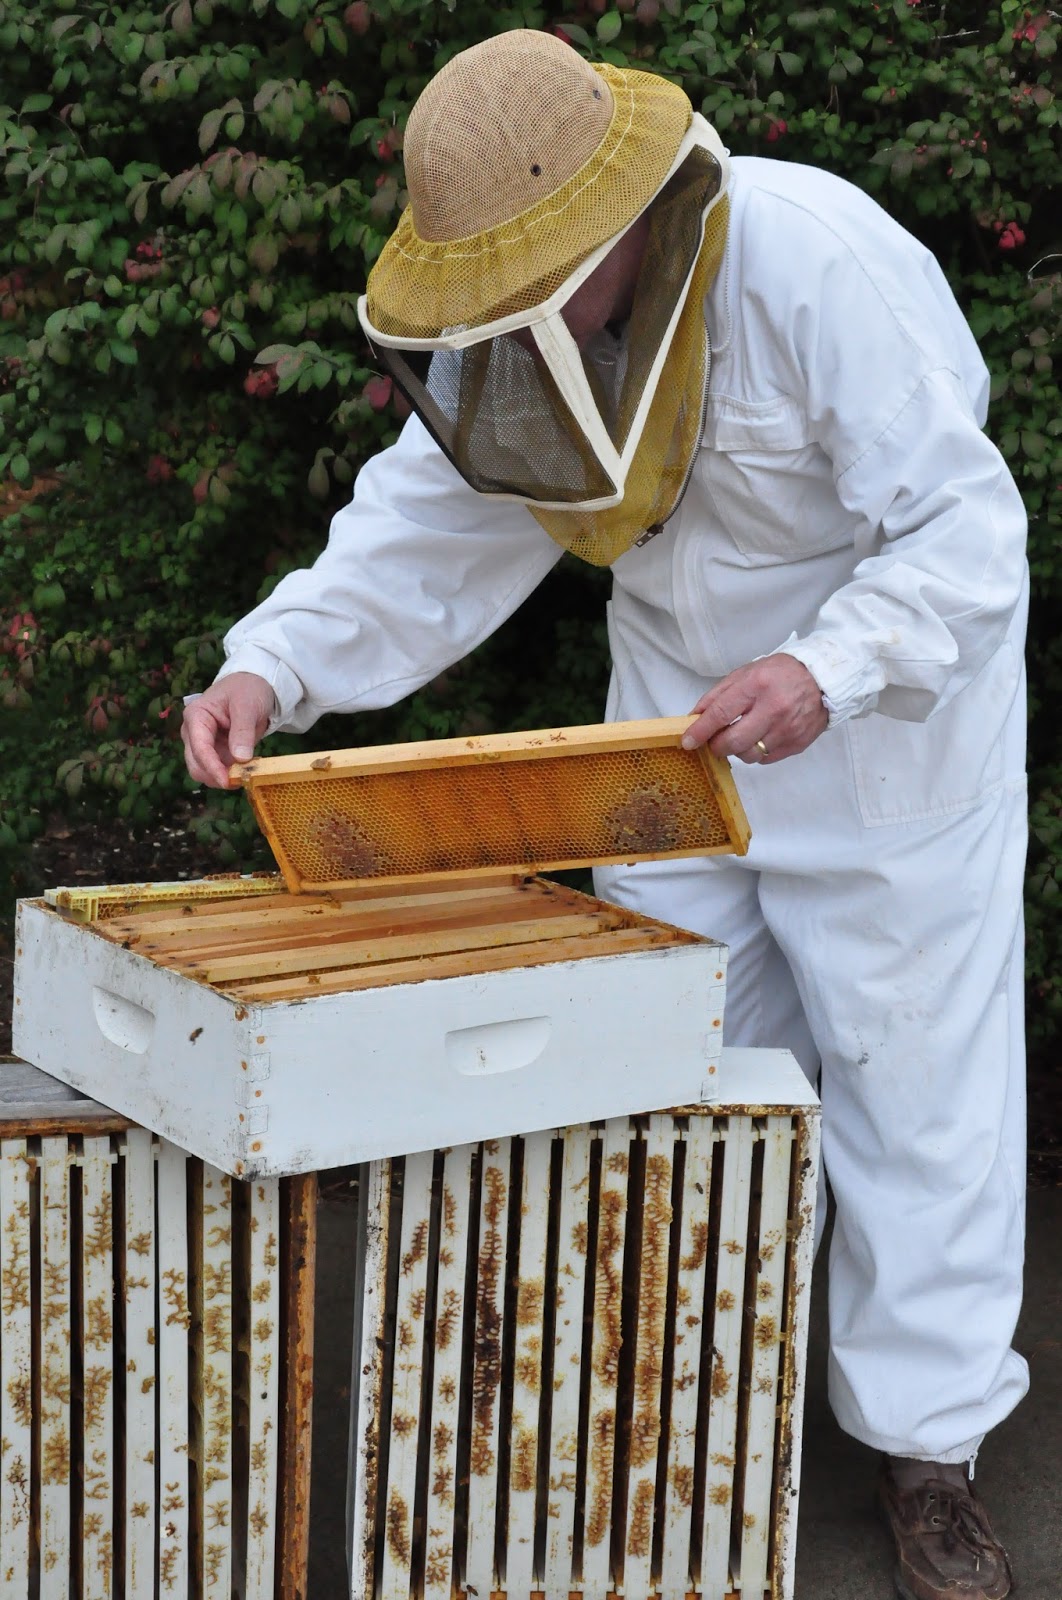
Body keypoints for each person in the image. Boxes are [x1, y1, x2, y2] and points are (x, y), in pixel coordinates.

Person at [182, 29, 1028, 1600]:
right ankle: (690, 1405)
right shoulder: (535, 328)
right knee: (667, 1070)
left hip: (886, 732)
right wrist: (273, 665)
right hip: (673, 741)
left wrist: (828, 667)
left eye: (526, 280)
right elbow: (427, 524)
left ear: (621, 218)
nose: (503, 320)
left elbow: (969, 538)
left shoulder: (819, 266)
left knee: (917, 1089)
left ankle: (930, 1454)